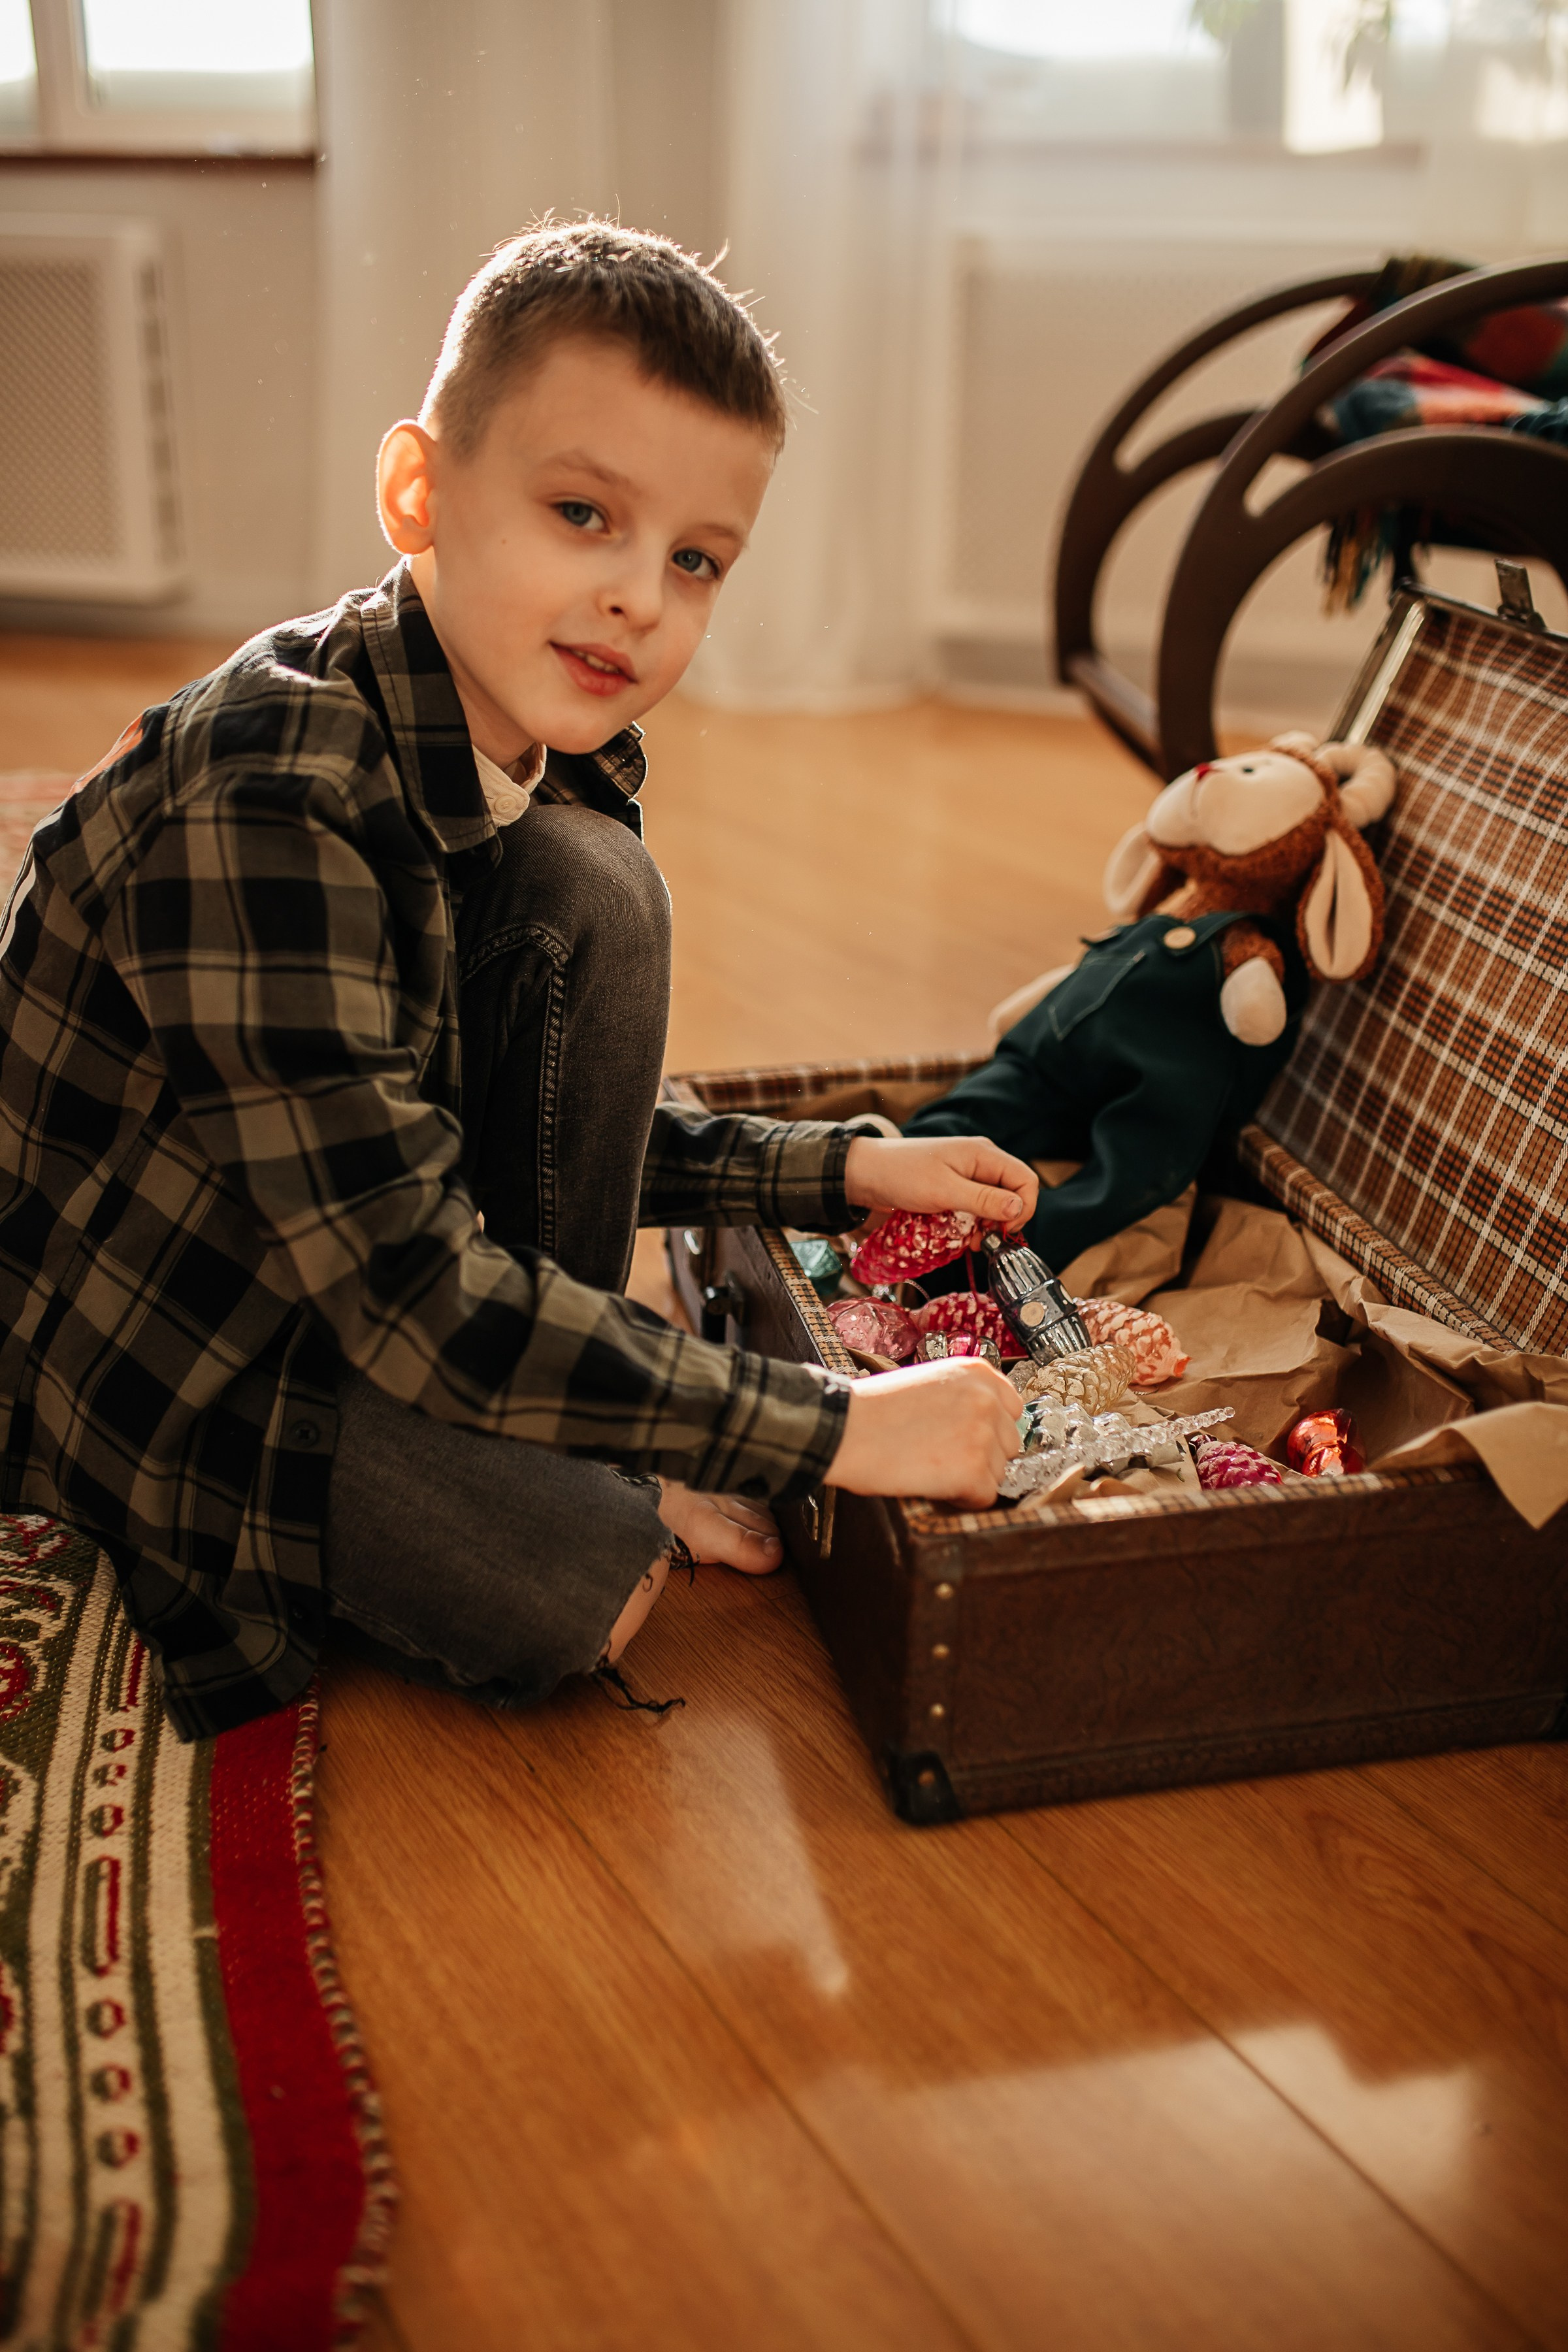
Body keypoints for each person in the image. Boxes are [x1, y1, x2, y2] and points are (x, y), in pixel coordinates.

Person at [0, 222, 1032, 1740]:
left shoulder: (502, 744)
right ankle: (568, 1447)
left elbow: (493, 1107)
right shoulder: (270, 798)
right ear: (419, 492)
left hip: (351, 1248)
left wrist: (835, 1169)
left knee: (594, 890)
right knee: (580, 1588)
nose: (639, 598)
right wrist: (823, 1430)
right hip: (173, 1342)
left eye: (694, 559)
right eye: (581, 513)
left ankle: (566, 1428)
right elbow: (410, 1288)